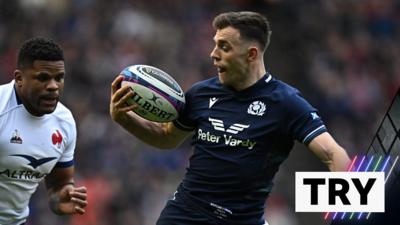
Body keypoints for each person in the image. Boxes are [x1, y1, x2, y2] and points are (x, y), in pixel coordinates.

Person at [110, 11, 350, 225]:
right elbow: (167, 138)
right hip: (185, 211)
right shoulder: (200, 93)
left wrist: (349, 214)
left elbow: (333, 154)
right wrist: (124, 119)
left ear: (251, 54)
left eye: (223, 47)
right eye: (215, 45)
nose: (213, 54)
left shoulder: (286, 102)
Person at [0, 37, 87, 225]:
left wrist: (62, 199)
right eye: (43, 78)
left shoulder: (64, 123)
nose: (53, 86)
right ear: (19, 79)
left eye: (59, 78)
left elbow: (59, 185)